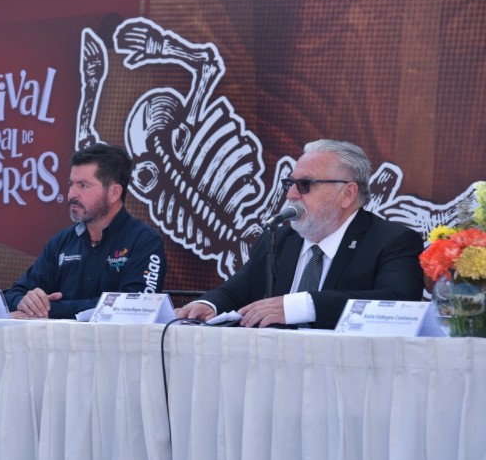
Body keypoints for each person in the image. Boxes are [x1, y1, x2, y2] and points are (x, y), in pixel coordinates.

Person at [177, 139, 425, 328]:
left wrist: (301, 307)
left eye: (305, 184)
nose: (291, 194)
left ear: (347, 194)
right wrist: (207, 305)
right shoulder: (278, 239)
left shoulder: (392, 241)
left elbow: (398, 303)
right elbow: (235, 292)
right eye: (290, 183)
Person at [5, 143, 167, 319]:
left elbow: (134, 307)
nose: (72, 194)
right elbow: (14, 294)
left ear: (114, 193)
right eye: (71, 184)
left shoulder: (145, 242)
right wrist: (25, 302)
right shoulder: (62, 242)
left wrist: (51, 309)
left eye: (83, 185)